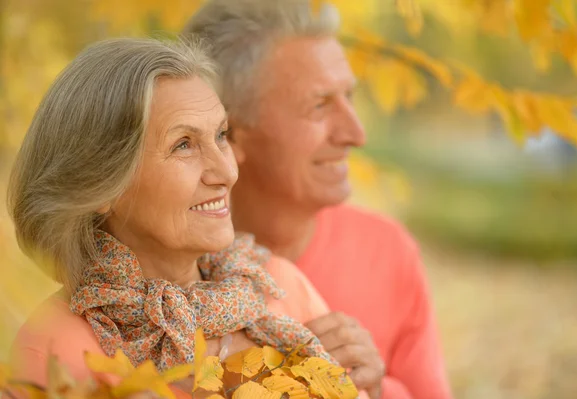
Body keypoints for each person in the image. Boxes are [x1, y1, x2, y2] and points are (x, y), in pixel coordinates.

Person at [6, 37, 356, 397]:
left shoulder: (278, 286)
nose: (226, 171)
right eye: (183, 145)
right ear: (102, 186)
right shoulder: (53, 349)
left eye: (221, 135)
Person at [182, 1, 452, 398]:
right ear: (230, 132)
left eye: (349, 97)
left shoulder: (387, 251)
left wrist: (372, 390)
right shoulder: (147, 276)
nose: (356, 134)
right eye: (320, 105)